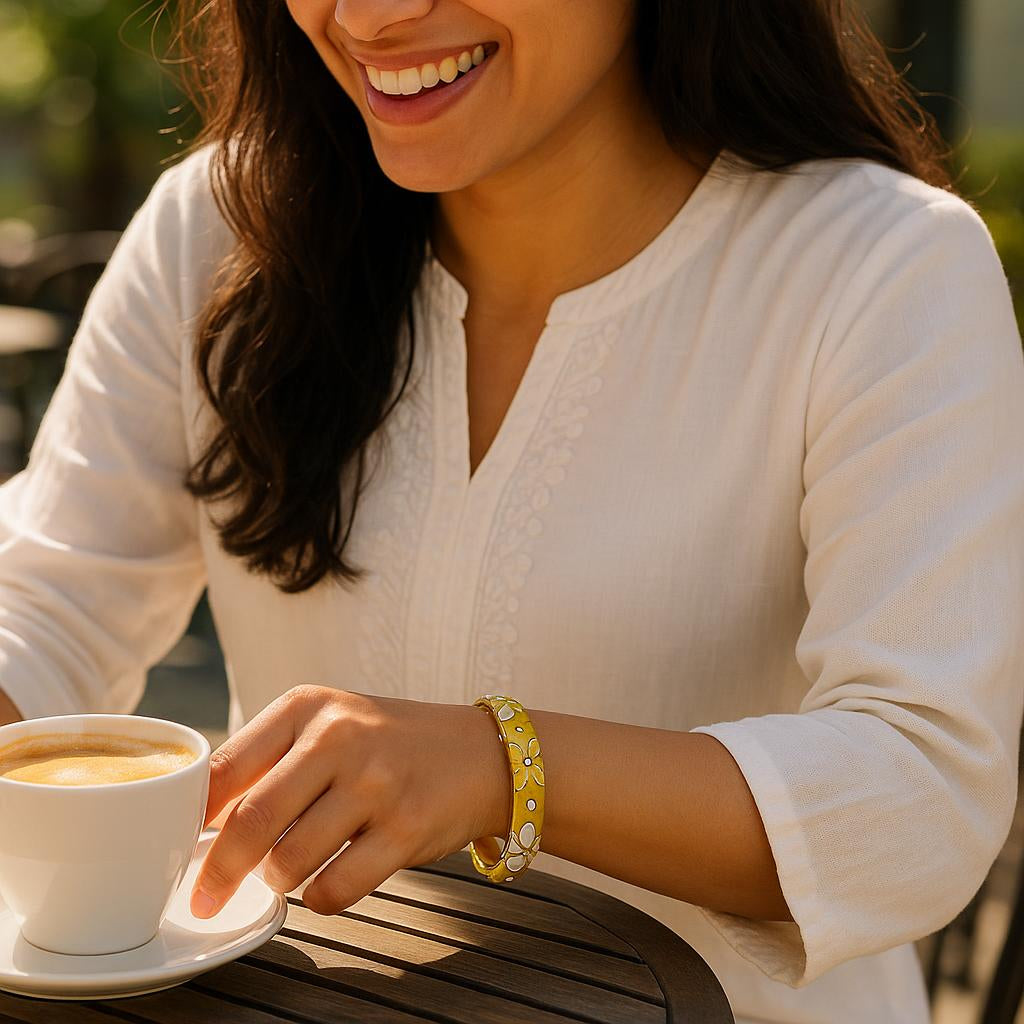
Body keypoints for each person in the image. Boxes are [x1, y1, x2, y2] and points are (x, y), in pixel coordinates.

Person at [2, 0, 1022, 1020]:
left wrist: (503, 763)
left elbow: (920, 795)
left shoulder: (883, 270)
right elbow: (40, 602)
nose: (370, 15)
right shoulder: (218, 230)